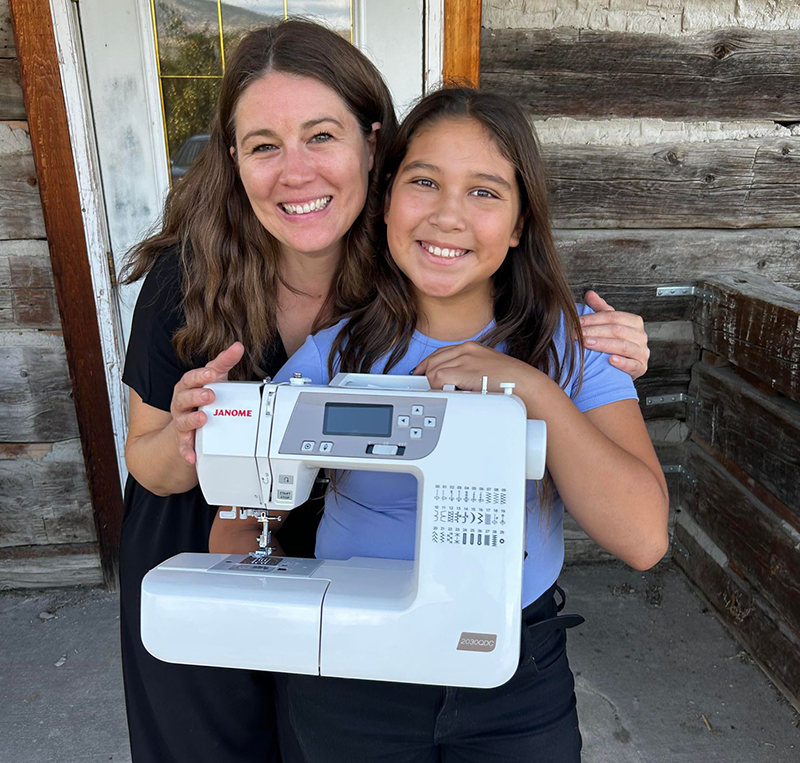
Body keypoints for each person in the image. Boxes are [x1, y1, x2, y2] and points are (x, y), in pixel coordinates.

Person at [121, 20, 651, 763]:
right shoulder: (267, 320)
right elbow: (223, 515)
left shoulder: (493, 316)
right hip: (330, 649)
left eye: (321, 136)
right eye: (265, 144)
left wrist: (554, 379)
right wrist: (206, 459)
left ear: (372, 150)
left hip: (496, 671)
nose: (447, 214)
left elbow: (641, 532)